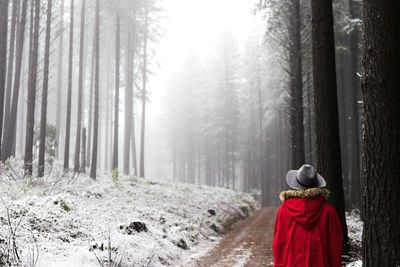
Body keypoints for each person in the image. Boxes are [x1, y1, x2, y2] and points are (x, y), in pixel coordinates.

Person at [273, 164, 343, 267]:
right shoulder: (328, 211)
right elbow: (335, 247)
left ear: (296, 184)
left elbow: (278, 243)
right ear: (316, 184)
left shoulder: (284, 210)